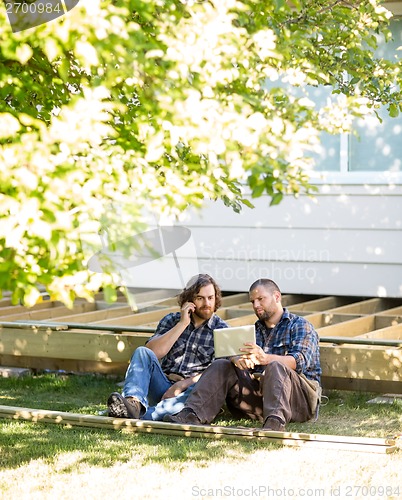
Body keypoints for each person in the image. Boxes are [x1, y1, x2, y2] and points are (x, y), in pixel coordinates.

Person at [166, 278, 321, 431]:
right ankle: (191, 414)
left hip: (298, 400)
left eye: (261, 299)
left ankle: (275, 424)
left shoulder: (300, 325)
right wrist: (236, 360)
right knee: (222, 364)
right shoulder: (251, 332)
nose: (256, 305)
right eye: (252, 301)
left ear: (277, 296)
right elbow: (241, 367)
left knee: (275, 366)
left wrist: (265, 358)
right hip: (261, 399)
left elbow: (300, 360)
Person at [107, 274, 228, 421]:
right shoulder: (172, 320)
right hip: (162, 383)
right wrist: (182, 324)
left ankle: (135, 413)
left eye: (210, 298)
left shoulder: (222, 330)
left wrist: (181, 385)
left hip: (189, 392)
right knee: (142, 352)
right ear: (189, 300)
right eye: (200, 298)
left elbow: (216, 374)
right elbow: (152, 352)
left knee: (188, 403)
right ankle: (133, 403)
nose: (207, 303)